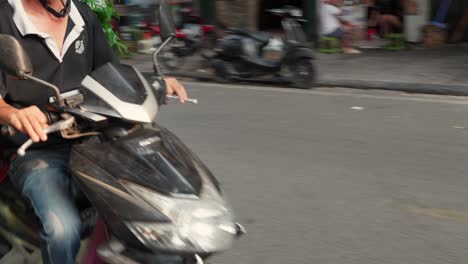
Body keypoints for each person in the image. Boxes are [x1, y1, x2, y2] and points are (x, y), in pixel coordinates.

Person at [0, 0, 188, 263]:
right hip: (37, 150)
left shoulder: (82, 15)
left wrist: (155, 81)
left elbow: (110, 73)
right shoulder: (6, 18)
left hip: (95, 142)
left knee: (152, 211)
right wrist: (14, 113)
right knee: (62, 229)